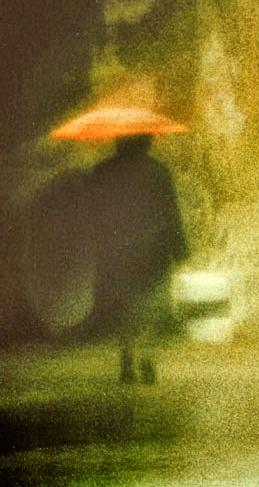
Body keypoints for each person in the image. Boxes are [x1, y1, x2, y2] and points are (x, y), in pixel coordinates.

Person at [88, 133, 188, 384]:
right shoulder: (158, 171)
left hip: (116, 253)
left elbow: (92, 216)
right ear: (146, 142)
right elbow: (170, 212)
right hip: (153, 253)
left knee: (123, 307)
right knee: (152, 306)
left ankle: (126, 359)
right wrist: (180, 248)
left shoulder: (102, 172)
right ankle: (147, 357)